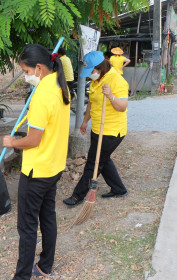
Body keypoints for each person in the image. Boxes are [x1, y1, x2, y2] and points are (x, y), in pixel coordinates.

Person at [3, 44, 71, 280]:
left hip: (37, 170)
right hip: (54, 166)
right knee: (47, 216)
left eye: (26, 71)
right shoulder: (61, 87)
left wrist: (12, 143)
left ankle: (22, 276)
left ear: (39, 68)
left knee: (27, 226)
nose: (25, 76)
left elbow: (33, 139)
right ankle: (45, 265)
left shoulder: (43, 95)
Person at [63, 51, 128, 207]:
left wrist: (111, 96)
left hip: (112, 131)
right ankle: (119, 189)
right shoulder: (96, 80)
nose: (90, 74)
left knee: (93, 163)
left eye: (91, 71)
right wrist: (85, 121)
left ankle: (77, 196)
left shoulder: (117, 80)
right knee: (103, 159)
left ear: (100, 67)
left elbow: (123, 106)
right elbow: (92, 102)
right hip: (98, 128)